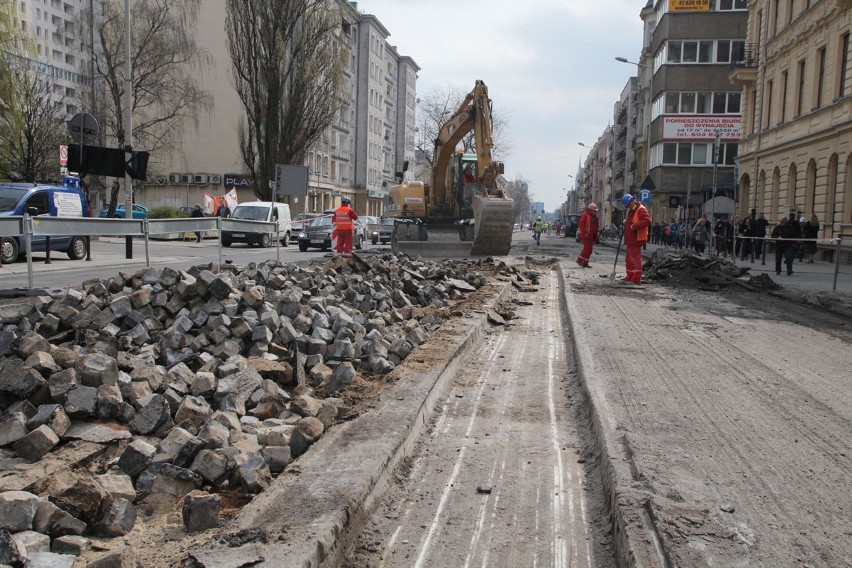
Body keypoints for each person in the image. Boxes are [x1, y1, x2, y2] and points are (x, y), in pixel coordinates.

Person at [622, 194, 652, 284]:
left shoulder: (641, 209)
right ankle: (630, 275)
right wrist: (626, 222)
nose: (628, 207)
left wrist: (633, 227)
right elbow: (633, 220)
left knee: (634, 259)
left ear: (632, 201)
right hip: (631, 239)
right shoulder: (633, 209)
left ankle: (636, 278)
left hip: (636, 238)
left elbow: (647, 220)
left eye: (628, 205)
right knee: (629, 259)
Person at [576, 203, 599, 268]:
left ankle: (585, 263)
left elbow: (596, 227)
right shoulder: (585, 215)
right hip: (586, 235)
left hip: (591, 235)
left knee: (590, 250)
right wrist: (585, 233)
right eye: (595, 210)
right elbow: (581, 225)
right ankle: (579, 260)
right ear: (590, 210)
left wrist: (596, 236)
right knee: (587, 248)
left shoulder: (594, 217)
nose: (596, 212)